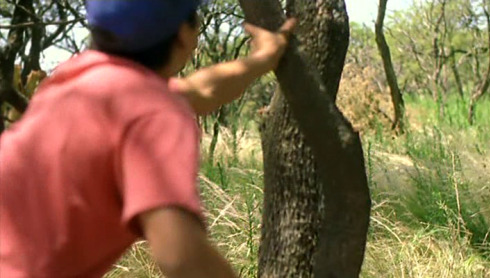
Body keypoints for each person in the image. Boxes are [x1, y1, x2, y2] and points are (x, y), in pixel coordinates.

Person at [0, 0, 295, 277]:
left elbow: (202, 90)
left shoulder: (77, 79)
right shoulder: (155, 112)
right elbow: (179, 254)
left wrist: (262, 59)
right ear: (183, 34)